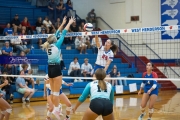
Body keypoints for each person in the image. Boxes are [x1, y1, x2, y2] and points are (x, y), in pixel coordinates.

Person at [41, 16, 75, 120]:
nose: (57, 37)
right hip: (56, 69)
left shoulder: (48, 45)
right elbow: (63, 33)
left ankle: (56, 108)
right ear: (55, 40)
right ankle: (56, 108)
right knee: (56, 92)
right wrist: (69, 23)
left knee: (53, 92)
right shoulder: (57, 45)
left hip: (50, 69)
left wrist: (63, 22)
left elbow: (57, 32)